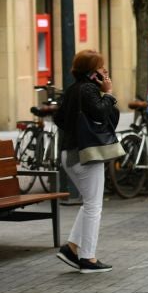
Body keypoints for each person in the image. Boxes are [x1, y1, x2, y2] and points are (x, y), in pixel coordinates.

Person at [55, 50, 118, 274]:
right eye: (101, 68)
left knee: (90, 202)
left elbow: (58, 118)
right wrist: (108, 94)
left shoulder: (73, 90)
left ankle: (71, 248)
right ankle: (87, 258)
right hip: (86, 154)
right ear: (92, 72)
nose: (105, 71)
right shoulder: (90, 90)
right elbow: (103, 114)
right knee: (94, 206)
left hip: (69, 154)